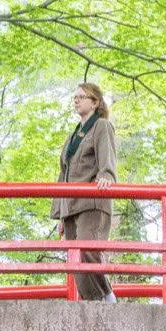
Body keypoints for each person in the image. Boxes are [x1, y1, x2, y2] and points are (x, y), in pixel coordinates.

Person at [51, 83, 118, 302]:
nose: (76, 100)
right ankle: (94, 304)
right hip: (70, 206)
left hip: (92, 203)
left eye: (82, 96)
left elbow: (106, 157)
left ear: (95, 102)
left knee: (88, 250)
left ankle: (106, 299)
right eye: (75, 97)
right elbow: (65, 172)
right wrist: (61, 213)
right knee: (75, 261)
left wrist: (106, 175)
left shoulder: (101, 127)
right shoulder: (73, 136)